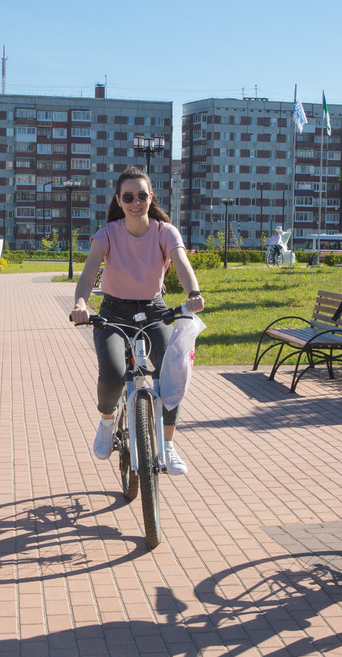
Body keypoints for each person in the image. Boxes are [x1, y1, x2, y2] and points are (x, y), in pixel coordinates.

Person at [72, 167, 205, 475]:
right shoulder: (107, 234)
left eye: (142, 196)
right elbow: (88, 274)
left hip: (154, 310)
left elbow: (182, 265)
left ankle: (168, 445)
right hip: (114, 313)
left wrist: (193, 292)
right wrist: (80, 303)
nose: (136, 202)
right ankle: (108, 421)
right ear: (119, 200)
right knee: (114, 373)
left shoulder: (164, 231)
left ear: (151, 197)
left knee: (171, 375)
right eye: (128, 197)